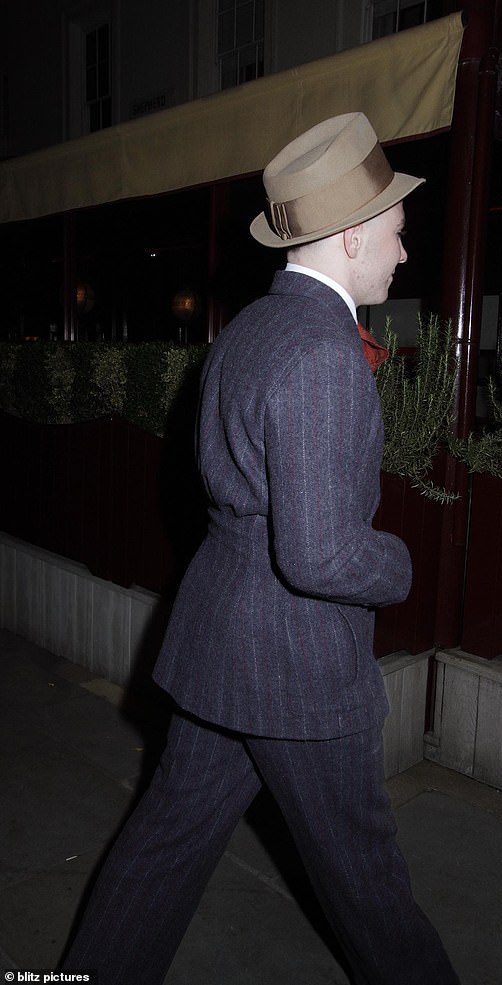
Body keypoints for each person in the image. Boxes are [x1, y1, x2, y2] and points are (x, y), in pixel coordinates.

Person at [62, 112, 460, 985]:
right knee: (371, 889)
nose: (402, 250)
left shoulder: (246, 330)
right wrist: (398, 563)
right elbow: (318, 558)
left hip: (218, 646)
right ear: (353, 236)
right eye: (394, 231)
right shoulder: (322, 354)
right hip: (296, 667)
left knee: (162, 846)